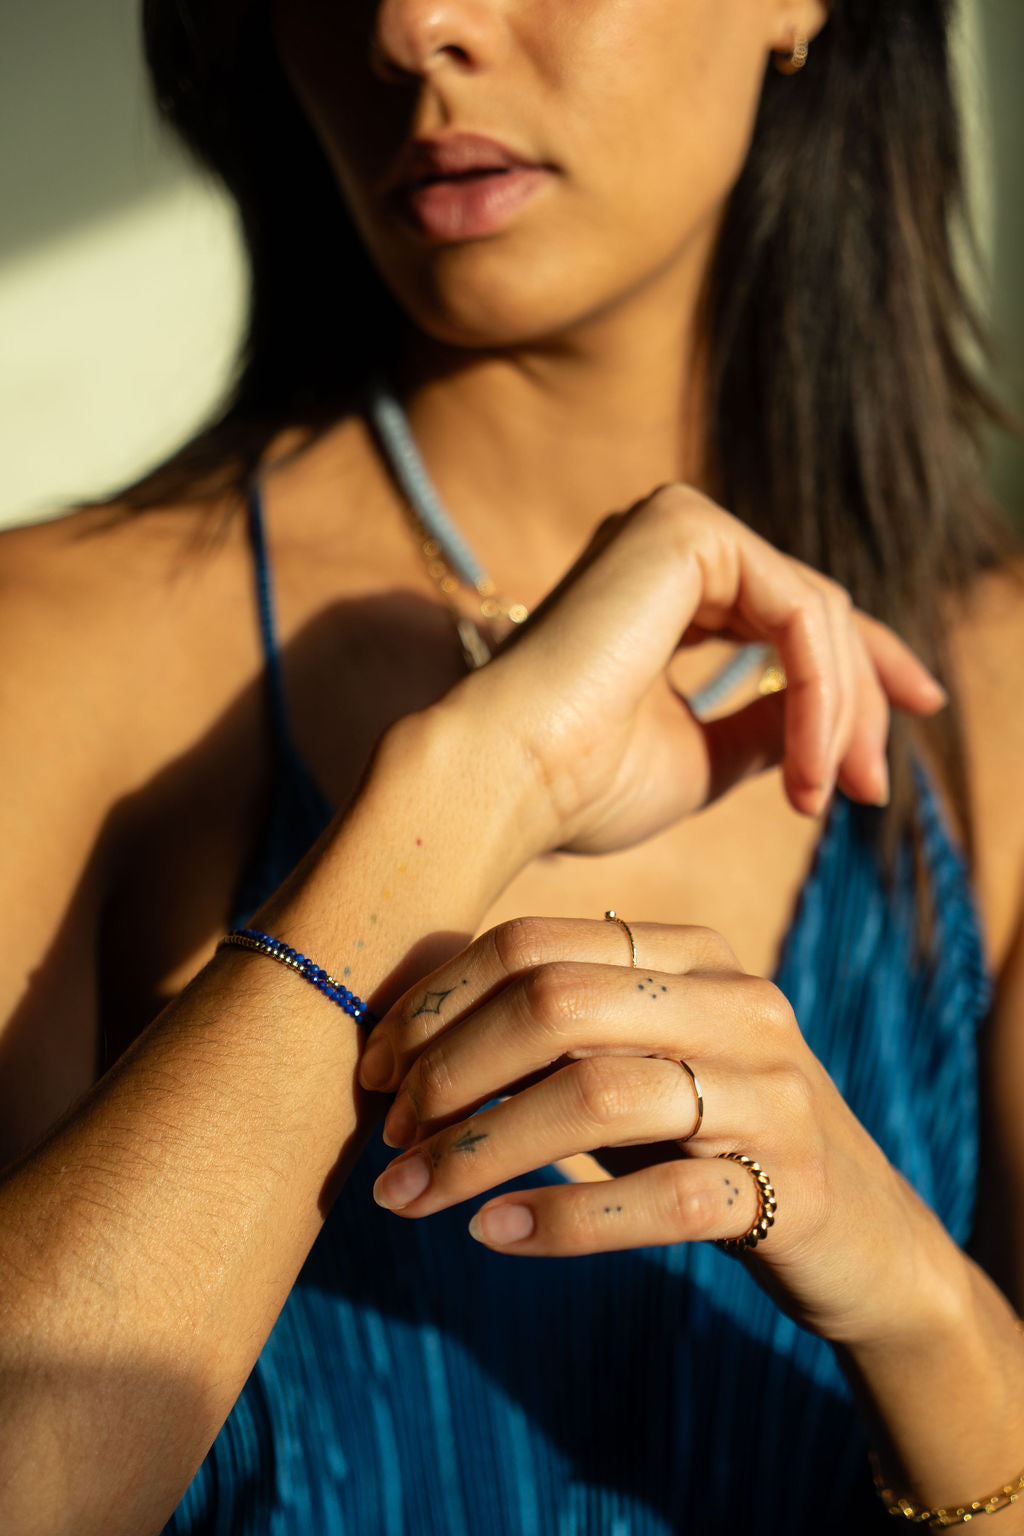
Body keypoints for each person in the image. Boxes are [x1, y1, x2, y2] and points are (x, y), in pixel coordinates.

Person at [1, 0, 1022, 1531]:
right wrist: (476, 784)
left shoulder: (995, 695)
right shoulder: (58, 655)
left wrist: (915, 1302)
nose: (413, 27)